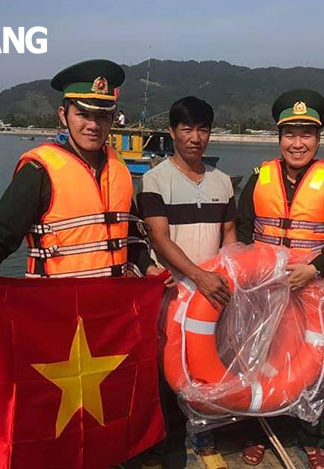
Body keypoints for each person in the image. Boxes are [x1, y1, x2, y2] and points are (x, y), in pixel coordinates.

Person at [0, 59, 164, 291]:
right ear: (63, 115)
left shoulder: (119, 168)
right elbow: (2, 233)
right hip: (57, 308)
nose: (93, 125)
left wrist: (148, 267)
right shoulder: (39, 170)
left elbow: (130, 235)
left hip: (111, 306)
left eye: (103, 116)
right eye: (83, 114)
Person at [236, 89, 324, 469]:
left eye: (306, 134)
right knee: (263, 358)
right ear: (279, 138)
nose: (297, 143)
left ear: (318, 139)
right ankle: (259, 432)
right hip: (266, 287)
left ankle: (311, 437)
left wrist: (315, 269)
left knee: (316, 363)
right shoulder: (259, 177)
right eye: (290, 134)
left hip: (314, 289)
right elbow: (243, 230)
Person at [138, 96, 237, 469]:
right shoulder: (155, 180)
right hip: (175, 291)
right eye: (187, 129)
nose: (195, 137)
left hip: (212, 294)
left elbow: (228, 232)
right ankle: (167, 440)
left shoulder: (223, 182)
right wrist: (198, 276)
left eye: (203, 129)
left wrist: (225, 276)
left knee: (207, 363)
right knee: (168, 366)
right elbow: (160, 238)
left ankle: (206, 432)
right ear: (172, 132)